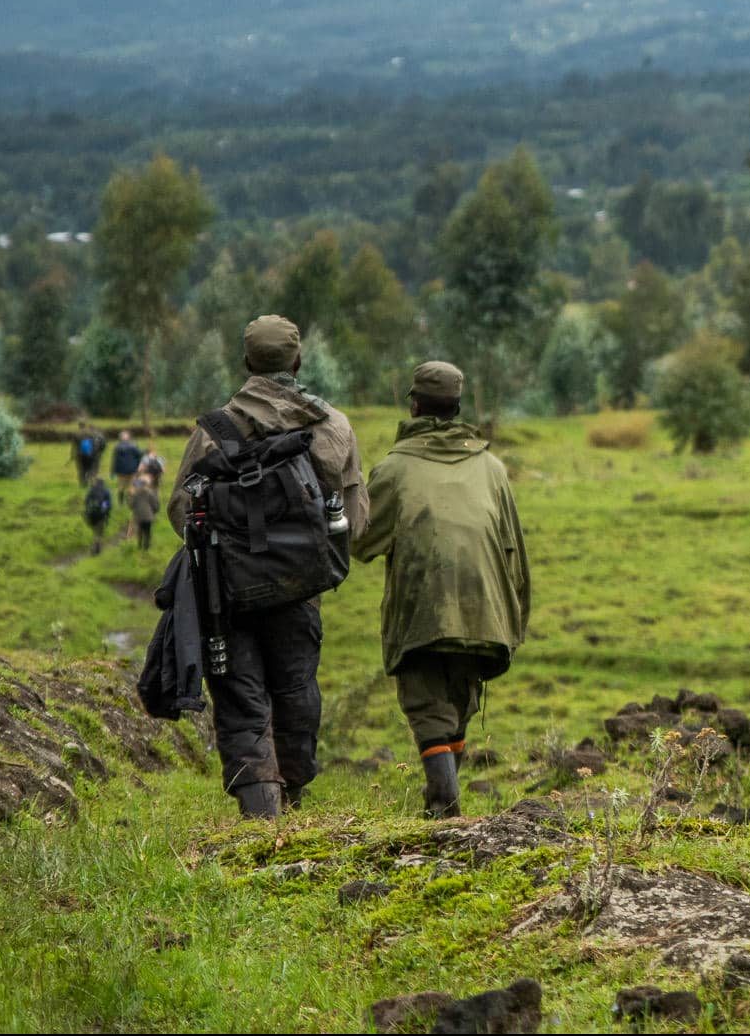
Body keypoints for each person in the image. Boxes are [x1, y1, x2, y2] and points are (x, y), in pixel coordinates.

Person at [167, 313, 368, 819]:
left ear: (246, 363)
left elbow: (179, 511)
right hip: (300, 590)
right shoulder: (333, 427)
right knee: (296, 689)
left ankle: (260, 815)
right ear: (298, 362)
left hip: (228, 592)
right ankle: (295, 800)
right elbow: (356, 521)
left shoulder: (214, 430)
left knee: (239, 695)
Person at [353, 360, 531, 818]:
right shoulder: (492, 467)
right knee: (457, 701)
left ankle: (444, 808)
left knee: (429, 706)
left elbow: (362, 542)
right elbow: (516, 549)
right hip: (485, 611)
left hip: (424, 611)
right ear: (458, 407)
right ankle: (446, 808)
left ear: (414, 405)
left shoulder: (394, 469)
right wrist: (514, 622)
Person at [84, 474, 113, 554]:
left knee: (95, 530)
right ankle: (97, 547)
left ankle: (95, 545)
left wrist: (87, 511)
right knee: (99, 532)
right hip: (101, 514)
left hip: (92, 514)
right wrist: (107, 513)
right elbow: (109, 504)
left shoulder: (91, 490)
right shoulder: (106, 491)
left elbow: (86, 501)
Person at [130, 472, 159, 550]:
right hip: (148, 516)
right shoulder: (150, 493)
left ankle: (139, 545)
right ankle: (146, 547)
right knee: (148, 531)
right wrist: (155, 511)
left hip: (139, 516)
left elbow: (131, 504)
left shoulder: (135, 494)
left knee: (140, 531)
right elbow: (155, 504)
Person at [72, 422, 107, 488]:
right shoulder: (94, 434)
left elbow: (74, 446)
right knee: (93, 469)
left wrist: (73, 455)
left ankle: (83, 484)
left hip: (80, 455)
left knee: (82, 470)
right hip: (94, 455)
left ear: (79, 426)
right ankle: (92, 482)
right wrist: (100, 453)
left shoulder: (77, 434)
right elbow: (102, 444)